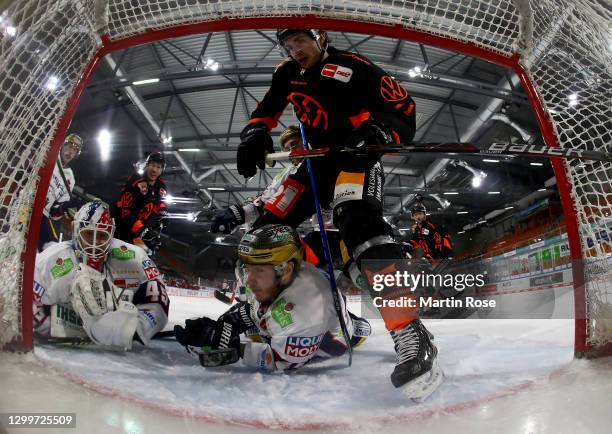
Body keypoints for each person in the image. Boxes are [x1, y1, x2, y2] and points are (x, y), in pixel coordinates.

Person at [234, 28, 442, 397]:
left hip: (354, 159)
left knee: (358, 224)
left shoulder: (353, 66)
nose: (295, 49)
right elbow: (266, 110)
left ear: (321, 38)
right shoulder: (285, 73)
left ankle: (410, 333)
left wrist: (377, 131)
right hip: (314, 165)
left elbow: (403, 111)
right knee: (263, 235)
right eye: (288, 43)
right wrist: (254, 133)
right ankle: (259, 314)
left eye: (301, 40)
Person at [174, 224, 371, 371]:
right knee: (260, 325)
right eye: (247, 267)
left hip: (326, 340)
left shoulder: (306, 311)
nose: (249, 279)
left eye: (258, 269)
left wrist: (236, 347)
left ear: (286, 269)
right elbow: (254, 307)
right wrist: (226, 326)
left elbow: (280, 361)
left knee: (268, 331)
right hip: (305, 309)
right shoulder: (272, 277)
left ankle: (356, 330)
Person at [33, 200, 169, 349]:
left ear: (111, 235)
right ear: (75, 230)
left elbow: (158, 299)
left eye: (102, 236)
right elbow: (27, 306)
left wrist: (136, 329)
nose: (95, 243)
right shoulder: (49, 261)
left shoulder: (135, 257)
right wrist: (55, 325)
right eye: (89, 233)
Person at [210, 125, 303, 234]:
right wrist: (237, 214)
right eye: (287, 148)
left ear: (305, 141)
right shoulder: (287, 172)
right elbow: (265, 199)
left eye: (294, 144)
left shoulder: (320, 159)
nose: (291, 150)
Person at [114, 151, 169, 253]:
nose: (154, 170)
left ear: (162, 170)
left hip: (138, 232)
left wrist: (163, 212)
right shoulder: (135, 181)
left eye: (158, 167)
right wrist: (143, 232)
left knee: (148, 253)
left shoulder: (161, 185)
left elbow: (159, 202)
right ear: (147, 165)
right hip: (121, 229)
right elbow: (126, 214)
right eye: (153, 165)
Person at [39, 133, 84, 252]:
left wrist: (63, 207)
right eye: (69, 146)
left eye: (74, 150)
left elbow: (53, 214)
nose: (70, 152)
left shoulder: (70, 179)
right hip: (26, 203)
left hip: (42, 214)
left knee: (51, 248)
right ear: (62, 145)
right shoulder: (48, 154)